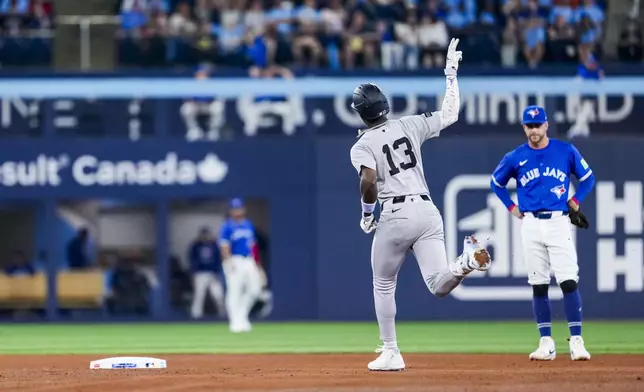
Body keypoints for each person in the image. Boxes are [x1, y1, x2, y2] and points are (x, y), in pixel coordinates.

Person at [349, 38, 492, 372]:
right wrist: (451, 76)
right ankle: (465, 263)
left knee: (383, 283)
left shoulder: (362, 144)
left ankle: (391, 350)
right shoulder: (409, 124)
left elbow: (368, 181)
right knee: (439, 283)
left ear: (360, 112)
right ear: (384, 104)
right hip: (428, 210)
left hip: (395, 213)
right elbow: (451, 113)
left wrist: (368, 214)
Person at [489, 105, 595, 361]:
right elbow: (496, 183)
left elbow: (588, 178)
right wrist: (512, 207)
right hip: (532, 224)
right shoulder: (516, 156)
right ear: (524, 128)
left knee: (568, 281)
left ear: (546, 125)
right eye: (529, 125)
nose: (534, 130)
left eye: (537, 125)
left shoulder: (565, 150)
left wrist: (577, 199)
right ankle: (546, 342)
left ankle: (577, 341)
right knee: (538, 285)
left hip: (559, 222)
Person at [219, 198, 263, 333]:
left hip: (248, 260)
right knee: (234, 291)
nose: (237, 211)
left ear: (243, 209)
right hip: (234, 259)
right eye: (235, 209)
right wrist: (228, 261)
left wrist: (257, 264)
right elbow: (224, 245)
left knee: (255, 290)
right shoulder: (227, 226)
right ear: (231, 211)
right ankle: (235, 322)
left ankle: (242, 316)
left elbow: (253, 246)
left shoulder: (248, 224)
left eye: (239, 208)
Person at [180, 65, 225, 141]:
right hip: (196, 106)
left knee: (218, 107)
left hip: (209, 106)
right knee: (186, 109)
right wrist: (191, 101)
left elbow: (219, 98)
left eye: (204, 74)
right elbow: (187, 99)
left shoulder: (213, 84)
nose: (202, 76)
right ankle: (194, 130)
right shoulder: (191, 84)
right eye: (200, 74)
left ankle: (213, 131)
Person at [189, 227, 225, 319]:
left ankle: (223, 314)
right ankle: (196, 315)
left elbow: (218, 260)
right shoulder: (196, 246)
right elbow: (192, 260)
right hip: (200, 273)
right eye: (203, 234)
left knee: (218, 295)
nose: (205, 237)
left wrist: (217, 272)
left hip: (213, 273)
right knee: (199, 295)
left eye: (207, 234)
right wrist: (194, 272)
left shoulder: (214, 245)